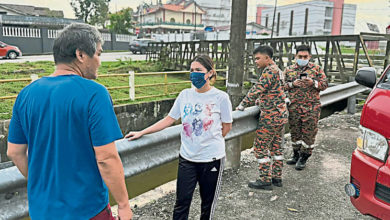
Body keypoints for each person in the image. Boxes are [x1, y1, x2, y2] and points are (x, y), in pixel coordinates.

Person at [7, 23, 133, 220]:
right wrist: (124, 205)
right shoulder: (94, 93)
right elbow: (106, 158)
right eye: (98, 54)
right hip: (87, 210)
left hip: (42, 211)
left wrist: (42, 185)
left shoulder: (26, 94)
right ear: (81, 55)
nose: (100, 61)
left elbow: (14, 152)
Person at [126, 54, 233, 220]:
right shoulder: (184, 95)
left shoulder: (221, 97)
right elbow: (169, 119)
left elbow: (226, 126)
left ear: (210, 73)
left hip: (212, 159)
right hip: (187, 158)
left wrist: (210, 141)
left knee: (207, 205)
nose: (194, 74)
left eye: (198, 70)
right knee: (181, 202)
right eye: (191, 70)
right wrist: (142, 132)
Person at [236, 45, 288, 190]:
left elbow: (257, 88)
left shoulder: (269, 72)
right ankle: (277, 178)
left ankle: (265, 179)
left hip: (271, 116)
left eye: (258, 58)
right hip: (281, 114)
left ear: (267, 58)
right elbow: (276, 91)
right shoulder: (278, 71)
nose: (256, 62)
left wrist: (243, 104)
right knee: (276, 148)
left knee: (260, 148)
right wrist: (262, 100)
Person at [283, 44, 328, 170]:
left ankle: (304, 157)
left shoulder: (316, 69)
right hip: (294, 107)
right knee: (295, 132)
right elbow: (281, 86)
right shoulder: (289, 70)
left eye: (305, 56)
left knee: (309, 133)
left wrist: (313, 83)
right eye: (300, 56)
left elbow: (325, 84)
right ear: (295, 56)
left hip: (311, 107)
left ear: (310, 56)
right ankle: (296, 154)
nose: (302, 58)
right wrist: (292, 84)